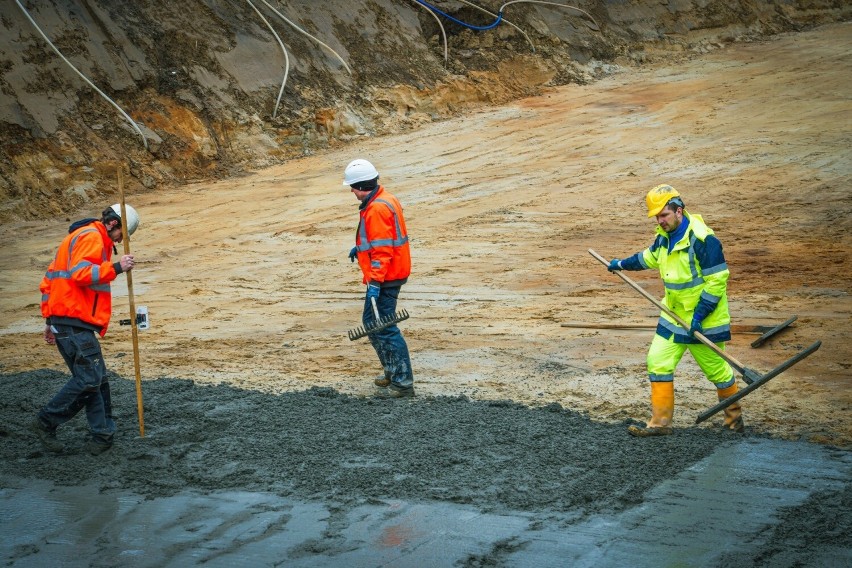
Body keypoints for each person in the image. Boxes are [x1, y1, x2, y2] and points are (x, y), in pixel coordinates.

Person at [608, 184, 743, 437]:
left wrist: (700, 316)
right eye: (657, 217)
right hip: (672, 314)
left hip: (704, 318)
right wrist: (621, 264)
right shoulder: (664, 236)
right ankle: (660, 425)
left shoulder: (704, 240)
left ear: (679, 211)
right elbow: (649, 257)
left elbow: (717, 281)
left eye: (664, 215)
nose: (660, 221)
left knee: (718, 372)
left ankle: (734, 423)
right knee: (658, 361)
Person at [30, 203, 140, 455]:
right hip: (73, 322)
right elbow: (80, 274)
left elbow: (49, 281)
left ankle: (102, 437)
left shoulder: (75, 238)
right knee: (90, 379)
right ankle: (46, 421)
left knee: (97, 380)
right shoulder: (91, 237)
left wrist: (50, 320)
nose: (120, 240)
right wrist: (116, 267)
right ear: (113, 224)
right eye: (121, 234)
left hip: (66, 321)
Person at [344, 158, 415, 397]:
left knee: (383, 327)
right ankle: (392, 370)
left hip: (386, 276)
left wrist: (374, 282)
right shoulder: (386, 197)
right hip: (391, 271)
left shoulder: (376, 208)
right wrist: (361, 249)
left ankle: (402, 383)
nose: (352, 191)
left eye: (353, 187)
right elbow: (381, 240)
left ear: (363, 186)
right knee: (373, 324)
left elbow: (383, 251)